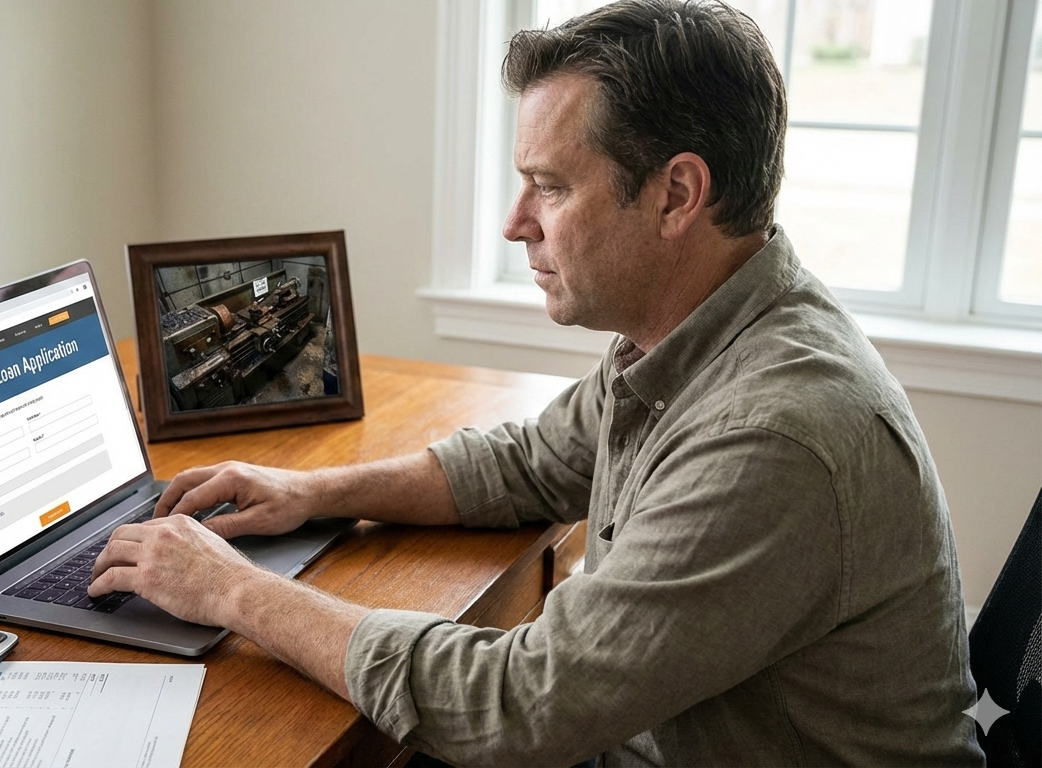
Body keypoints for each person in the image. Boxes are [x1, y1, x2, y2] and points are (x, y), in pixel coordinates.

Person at [87, 1, 984, 764]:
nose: (516, 223)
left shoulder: (774, 436)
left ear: (677, 195)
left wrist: (237, 591)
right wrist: (310, 491)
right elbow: (527, 463)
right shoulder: (696, 331)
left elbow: (521, 706)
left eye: (548, 187)